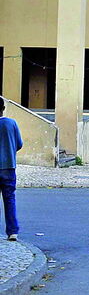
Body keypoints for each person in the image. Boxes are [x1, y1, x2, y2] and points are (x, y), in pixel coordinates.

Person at [0, 98, 23, 241]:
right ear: (3, 108)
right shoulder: (11, 123)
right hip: (9, 166)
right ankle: (12, 232)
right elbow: (19, 144)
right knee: (9, 200)